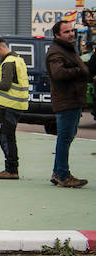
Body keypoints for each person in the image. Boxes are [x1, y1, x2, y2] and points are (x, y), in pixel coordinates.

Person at [48, 17, 92, 188]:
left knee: (67, 137)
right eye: (66, 31)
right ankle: (63, 175)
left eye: (72, 30)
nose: (71, 34)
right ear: (57, 35)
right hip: (66, 100)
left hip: (72, 99)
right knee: (65, 138)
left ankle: (58, 171)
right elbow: (58, 73)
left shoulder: (67, 49)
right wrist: (81, 70)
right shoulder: (56, 52)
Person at [0, 36, 29, 179]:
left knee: (6, 138)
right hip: (17, 104)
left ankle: (11, 169)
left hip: (9, 106)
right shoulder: (18, 60)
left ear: (0, 48)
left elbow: (5, 85)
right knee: (9, 137)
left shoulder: (8, 63)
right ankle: (11, 168)